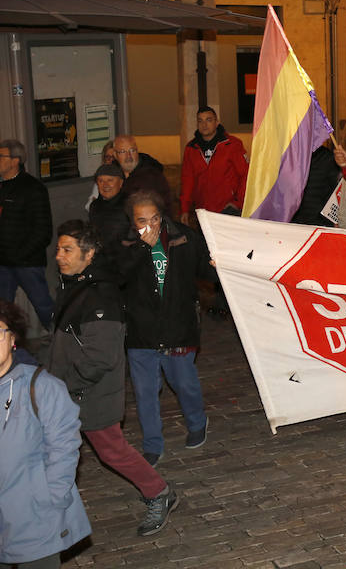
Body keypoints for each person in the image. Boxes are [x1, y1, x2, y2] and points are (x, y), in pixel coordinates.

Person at [49, 220, 179, 536]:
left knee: (111, 451)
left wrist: (66, 389)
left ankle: (159, 492)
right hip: (70, 390)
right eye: (58, 249)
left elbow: (100, 357)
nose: (59, 256)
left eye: (67, 250)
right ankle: (48, 514)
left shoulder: (99, 297)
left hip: (90, 395)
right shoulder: (76, 284)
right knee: (53, 453)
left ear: (89, 253)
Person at [118, 190, 215, 467]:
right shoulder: (125, 244)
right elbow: (118, 276)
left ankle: (197, 422)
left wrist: (217, 267)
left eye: (155, 218)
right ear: (132, 222)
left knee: (184, 384)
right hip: (141, 331)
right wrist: (140, 249)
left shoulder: (183, 237)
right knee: (145, 392)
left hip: (177, 326)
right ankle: (152, 443)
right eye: (142, 221)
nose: (150, 226)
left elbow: (203, 269)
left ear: (162, 216)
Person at [0, 299, 91, 568]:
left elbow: (64, 448)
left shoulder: (42, 387)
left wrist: (50, 499)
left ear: (12, 339)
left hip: (35, 520)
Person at [0, 138, 54, 330]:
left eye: (1, 156)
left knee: (44, 306)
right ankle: (7, 349)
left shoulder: (33, 188)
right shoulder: (2, 186)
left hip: (27, 263)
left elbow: (43, 231)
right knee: (3, 310)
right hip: (3, 264)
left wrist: (20, 254)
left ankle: (66, 343)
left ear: (15, 160)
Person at [179, 106, 250, 222]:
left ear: (217, 123)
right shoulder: (191, 148)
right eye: (200, 121)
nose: (204, 124)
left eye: (209, 120)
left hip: (228, 210)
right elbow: (187, 180)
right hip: (203, 212)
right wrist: (184, 209)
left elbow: (246, 175)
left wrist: (238, 203)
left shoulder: (232, 144)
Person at [113, 134, 173, 213]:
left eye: (132, 150)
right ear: (115, 155)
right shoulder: (112, 174)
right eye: (123, 152)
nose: (129, 156)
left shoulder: (151, 175)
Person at [88, 164, 131, 254]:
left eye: (110, 180)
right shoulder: (94, 206)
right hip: (102, 260)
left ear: (121, 183)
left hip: (127, 258)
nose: (105, 185)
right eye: (101, 181)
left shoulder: (131, 204)